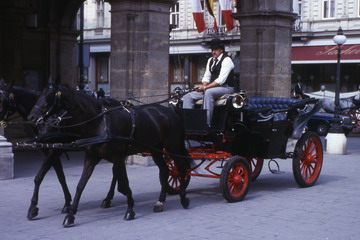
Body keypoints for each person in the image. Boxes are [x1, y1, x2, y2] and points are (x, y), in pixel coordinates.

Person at [182, 38, 235, 126]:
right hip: (213, 88)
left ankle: (206, 123)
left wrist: (205, 88)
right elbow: (207, 76)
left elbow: (221, 80)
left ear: (221, 50)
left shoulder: (227, 60)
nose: (213, 52)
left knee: (208, 92)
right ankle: (188, 123)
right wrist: (203, 86)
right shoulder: (210, 60)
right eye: (212, 50)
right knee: (188, 95)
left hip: (226, 88)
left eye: (215, 49)